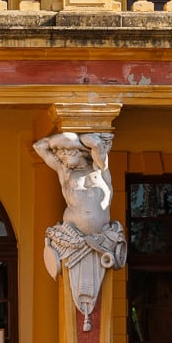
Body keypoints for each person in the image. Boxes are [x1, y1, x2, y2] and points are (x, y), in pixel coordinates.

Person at [34, 131, 126, 330]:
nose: (62, 158)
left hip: (100, 244)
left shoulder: (101, 169)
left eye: (67, 153)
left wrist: (77, 140)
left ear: (80, 152)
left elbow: (95, 143)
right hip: (72, 242)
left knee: (94, 293)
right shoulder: (64, 172)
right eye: (60, 154)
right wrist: (62, 141)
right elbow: (40, 147)